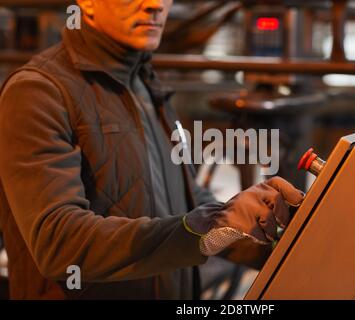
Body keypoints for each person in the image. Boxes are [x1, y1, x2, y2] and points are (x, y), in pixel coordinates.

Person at [0, 0, 304, 299]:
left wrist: (268, 235)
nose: (155, 5)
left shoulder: (143, 82)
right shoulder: (37, 92)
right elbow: (59, 243)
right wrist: (210, 225)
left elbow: (183, 201)